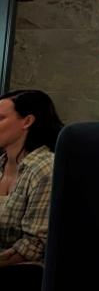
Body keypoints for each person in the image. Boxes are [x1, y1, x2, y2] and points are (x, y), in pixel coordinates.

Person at [0, 90, 62, 290]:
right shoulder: (1, 163)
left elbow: (35, 246)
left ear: (27, 121)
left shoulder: (44, 169)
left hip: (25, 274)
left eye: (0, 118)